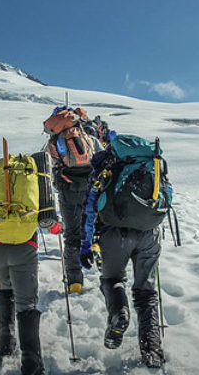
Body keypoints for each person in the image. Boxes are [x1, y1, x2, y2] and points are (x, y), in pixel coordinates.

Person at [79, 133, 168, 368]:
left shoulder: (105, 164)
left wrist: (86, 244)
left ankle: (119, 313)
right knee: (147, 292)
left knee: (112, 279)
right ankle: (152, 350)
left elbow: (89, 206)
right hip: (149, 233)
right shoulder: (152, 162)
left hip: (113, 232)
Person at [0, 190, 48, 375]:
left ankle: (5, 341)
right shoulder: (32, 192)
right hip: (24, 248)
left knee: (5, 287)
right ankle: (31, 362)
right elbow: (51, 223)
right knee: (27, 304)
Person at [43, 107, 106, 294]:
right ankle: (102, 260)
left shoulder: (54, 143)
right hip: (91, 189)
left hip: (68, 191)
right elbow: (102, 158)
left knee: (72, 235)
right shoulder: (90, 139)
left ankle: (74, 282)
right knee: (97, 226)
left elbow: (53, 164)